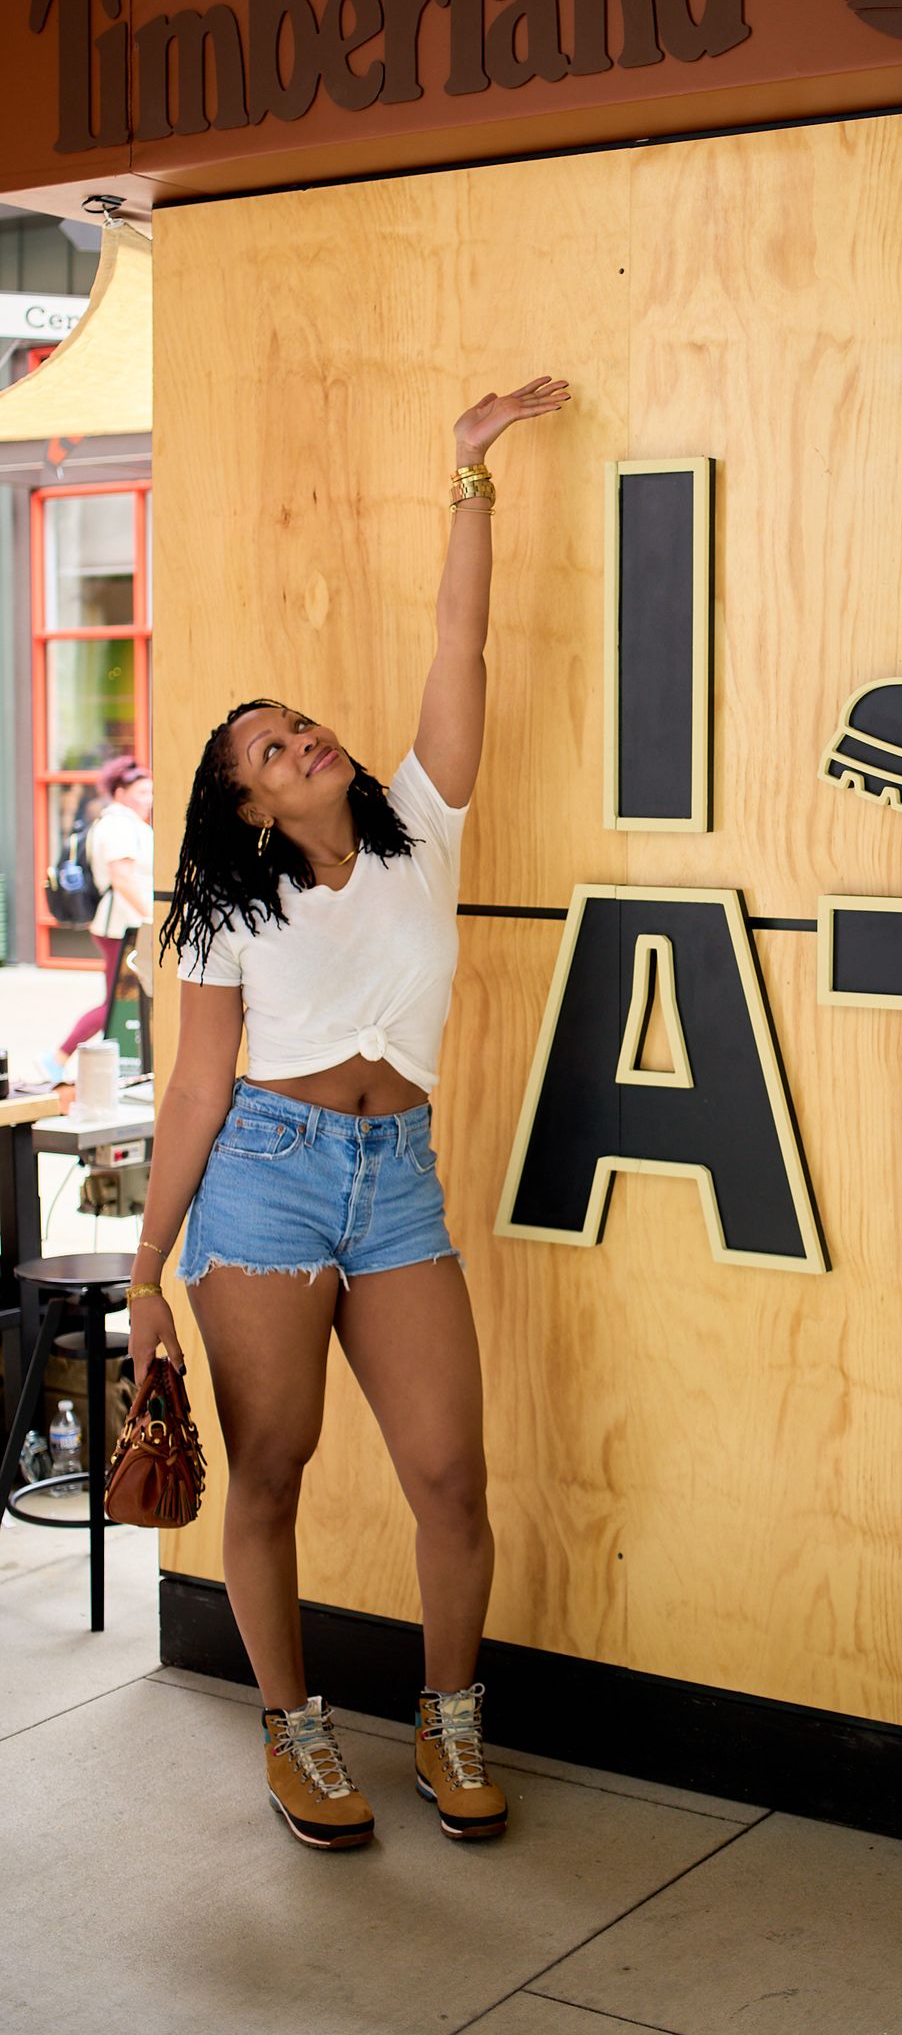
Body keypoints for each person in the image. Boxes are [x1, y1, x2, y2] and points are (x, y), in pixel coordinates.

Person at [129, 373, 571, 1851]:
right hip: (263, 1181)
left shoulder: (424, 826)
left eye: (302, 723)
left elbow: (463, 640)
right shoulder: (221, 905)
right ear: (247, 805)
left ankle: (450, 1724)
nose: (303, 739)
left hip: (398, 1180)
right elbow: (197, 1083)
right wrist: (144, 1275)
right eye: (270, 747)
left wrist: (469, 475)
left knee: (451, 1472)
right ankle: (294, 1731)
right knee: (273, 1470)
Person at [39, 753, 154, 1086]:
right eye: (141, 792)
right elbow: (123, 878)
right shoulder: (117, 824)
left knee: (124, 1003)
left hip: (128, 924)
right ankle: (57, 1057)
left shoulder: (127, 823)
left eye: (150, 792)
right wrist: (153, 917)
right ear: (119, 793)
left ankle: (88, 1062)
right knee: (117, 1004)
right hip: (122, 926)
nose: (148, 799)